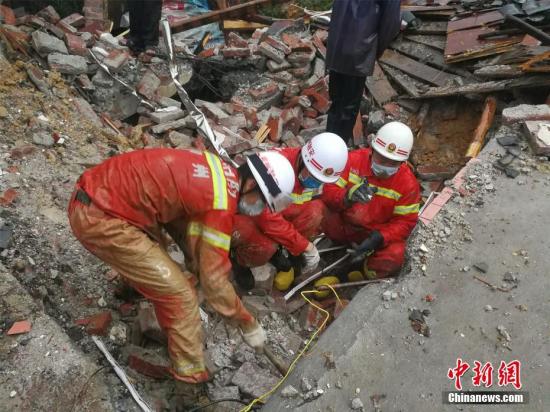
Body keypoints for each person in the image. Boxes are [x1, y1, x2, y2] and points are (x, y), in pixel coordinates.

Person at [68, 148, 295, 383]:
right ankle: (189, 383)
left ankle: (132, 289)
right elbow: (214, 283)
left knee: (160, 254)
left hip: (103, 196)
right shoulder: (220, 205)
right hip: (100, 217)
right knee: (182, 298)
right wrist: (247, 323)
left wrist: (197, 262)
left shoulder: (218, 173)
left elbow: (181, 220)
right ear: (250, 186)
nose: (259, 210)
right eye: (261, 202)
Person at [231, 133, 348, 290]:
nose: (315, 182)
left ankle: (283, 250)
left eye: (320, 180)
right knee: (265, 246)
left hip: (277, 213)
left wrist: (347, 198)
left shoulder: (315, 172)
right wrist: (304, 246)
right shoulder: (276, 166)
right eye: (313, 176)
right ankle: (239, 260)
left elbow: (325, 200)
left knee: (316, 211)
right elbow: (266, 218)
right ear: (303, 159)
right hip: (247, 213)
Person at [322, 122, 420, 279]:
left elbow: (406, 222)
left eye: (392, 163)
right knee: (314, 210)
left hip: (374, 234)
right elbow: (328, 191)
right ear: (372, 150)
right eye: (382, 158)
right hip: (344, 224)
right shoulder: (353, 161)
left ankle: (365, 271)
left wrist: (380, 237)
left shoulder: (408, 184)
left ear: (403, 162)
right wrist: (346, 197)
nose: (385, 167)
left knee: (396, 254)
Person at [325, 0, 401, 145]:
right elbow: (390, 25)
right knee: (348, 108)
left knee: (336, 103)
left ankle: (326, 145)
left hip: (336, 48)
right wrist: (375, 50)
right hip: (358, 52)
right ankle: (335, 150)